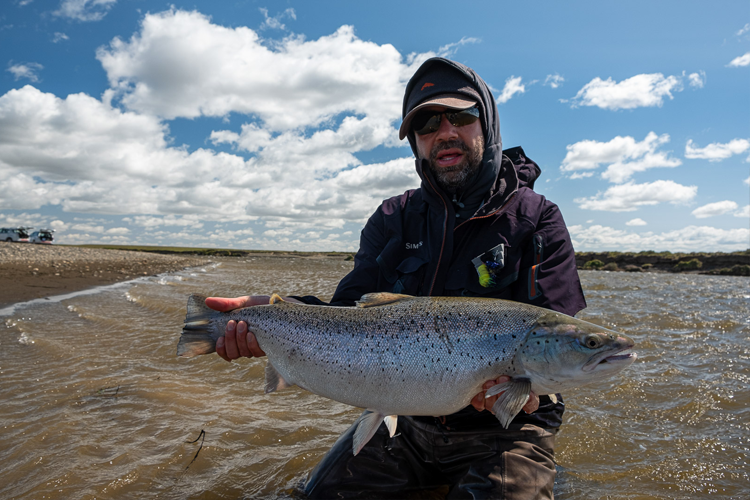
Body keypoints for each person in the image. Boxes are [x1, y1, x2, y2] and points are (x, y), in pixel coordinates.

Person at [207, 57, 586, 499]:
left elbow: (556, 334)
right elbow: (344, 318)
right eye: (426, 124)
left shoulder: (538, 219)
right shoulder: (393, 217)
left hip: (507, 430)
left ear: (488, 124)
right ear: (417, 144)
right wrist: (269, 314)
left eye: (461, 117)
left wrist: (526, 393)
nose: (445, 132)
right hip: (404, 421)